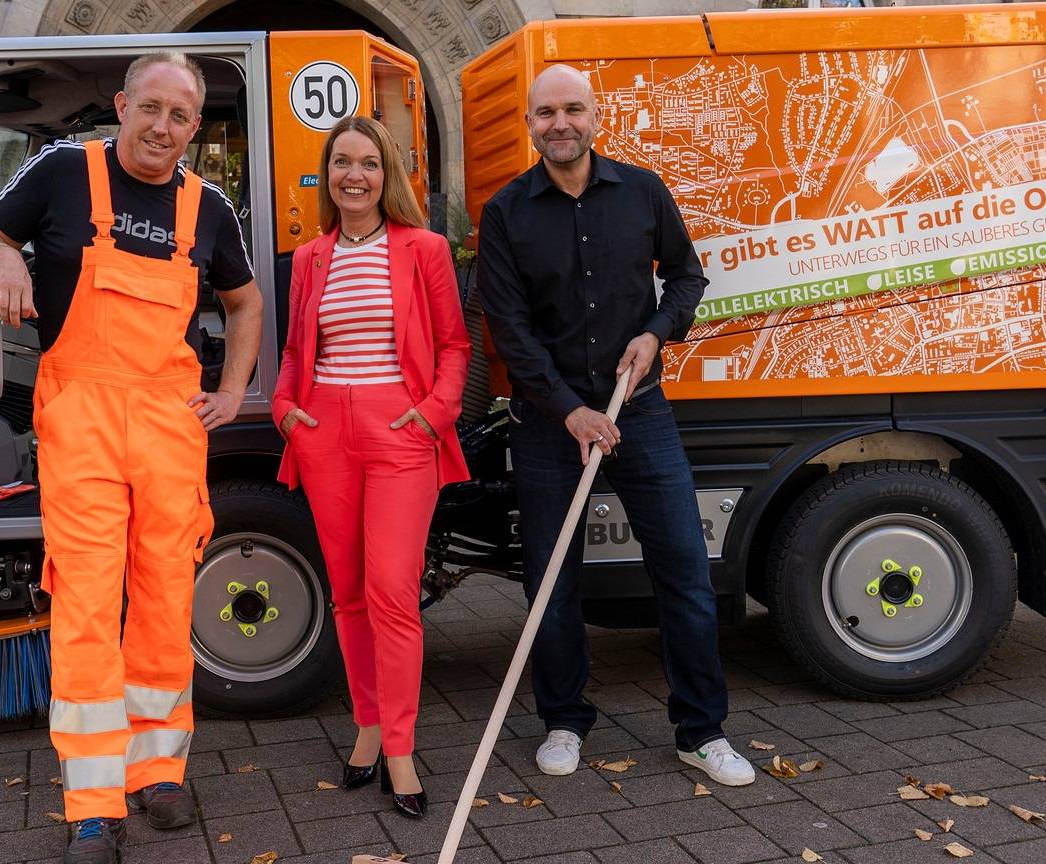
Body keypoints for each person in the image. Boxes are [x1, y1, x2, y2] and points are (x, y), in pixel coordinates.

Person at [0, 52, 263, 864]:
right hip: (83, 416)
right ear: (121, 105)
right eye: (151, 110)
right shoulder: (63, 171)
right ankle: (93, 805)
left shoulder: (208, 206)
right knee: (85, 602)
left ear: (193, 128)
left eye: (181, 117)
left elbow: (243, 303)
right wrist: (6, 256)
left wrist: (235, 390)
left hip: (170, 423)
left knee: (166, 595)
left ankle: (159, 771)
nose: (163, 129)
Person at [476, 65, 755, 788]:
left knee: (686, 576)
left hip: (642, 411)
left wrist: (658, 332)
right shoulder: (507, 212)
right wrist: (569, 409)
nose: (559, 123)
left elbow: (688, 276)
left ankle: (702, 731)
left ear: (594, 116)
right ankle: (564, 721)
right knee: (552, 583)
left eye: (572, 109)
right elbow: (507, 326)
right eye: (546, 113)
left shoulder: (642, 190)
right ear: (531, 123)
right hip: (548, 424)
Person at [271, 115, 470, 819]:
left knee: (391, 590)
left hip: (398, 431)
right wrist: (285, 406)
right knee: (349, 592)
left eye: (368, 163)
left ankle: (400, 747)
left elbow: (454, 346)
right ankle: (364, 726)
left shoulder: (424, 249)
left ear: (389, 175)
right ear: (328, 176)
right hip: (323, 430)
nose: (354, 175)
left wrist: (433, 413)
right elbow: (297, 351)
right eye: (341, 163)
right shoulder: (310, 258)